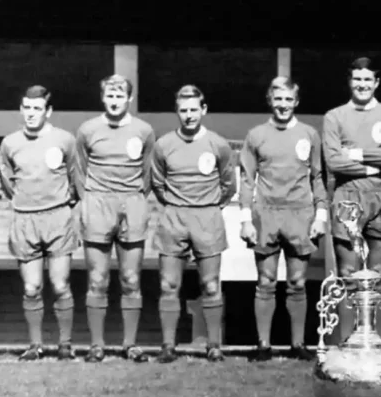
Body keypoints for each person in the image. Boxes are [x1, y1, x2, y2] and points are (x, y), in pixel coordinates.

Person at [239, 76, 328, 362]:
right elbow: (247, 179)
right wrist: (245, 219)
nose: (283, 105)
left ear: (296, 102)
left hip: (300, 213)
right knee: (265, 280)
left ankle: (298, 344)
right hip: (266, 213)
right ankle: (263, 345)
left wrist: (321, 214)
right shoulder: (256, 135)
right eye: (278, 99)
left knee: (298, 282)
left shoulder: (309, 134)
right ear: (270, 101)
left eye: (288, 99)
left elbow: (317, 177)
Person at [73, 74, 156, 363]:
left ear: (129, 99)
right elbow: (80, 171)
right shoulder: (88, 130)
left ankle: (129, 344)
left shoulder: (144, 131)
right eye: (110, 95)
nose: (114, 101)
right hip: (97, 203)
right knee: (97, 278)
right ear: (102, 98)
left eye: (120, 96)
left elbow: (148, 173)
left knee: (131, 278)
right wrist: (91, 200)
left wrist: (132, 198)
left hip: (132, 203)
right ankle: (97, 344)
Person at [151, 85, 237, 363]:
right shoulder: (164, 144)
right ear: (177, 112)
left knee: (211, 284)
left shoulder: (218, 144)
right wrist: (178, 204)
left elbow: (228, 185)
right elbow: (157, 183)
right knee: (168, 283)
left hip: (207, 217)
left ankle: (213, 345)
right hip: (174, 217)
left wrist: (209, 206)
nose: (189, 115)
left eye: (193, 110)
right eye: (183, 110)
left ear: (204, 110)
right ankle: (168, 346)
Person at [0, 85, 79, 361]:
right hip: (25, 219)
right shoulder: (10, 143)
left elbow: (75, 178)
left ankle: (65, 344)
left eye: (37, 109)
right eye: (27, 108)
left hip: (57, 217)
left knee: (60, 284)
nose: (31, 114)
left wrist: (62, 204)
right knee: (32, 287)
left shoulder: (65, 140)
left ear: (49, 111)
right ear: (21, 109)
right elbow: (8, 183)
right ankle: (35, 345)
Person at [322, 57, 381, 279]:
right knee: (348, 272)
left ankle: (375, 315)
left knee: (378, 272)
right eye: (357, 79)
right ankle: (348, 315)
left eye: (368, 79)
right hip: (348, 195)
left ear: (376, 82)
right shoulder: (334, 116)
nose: (362, 84)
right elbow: (333, 161)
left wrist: (353, 153)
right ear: (349, 81)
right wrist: (374, 165)